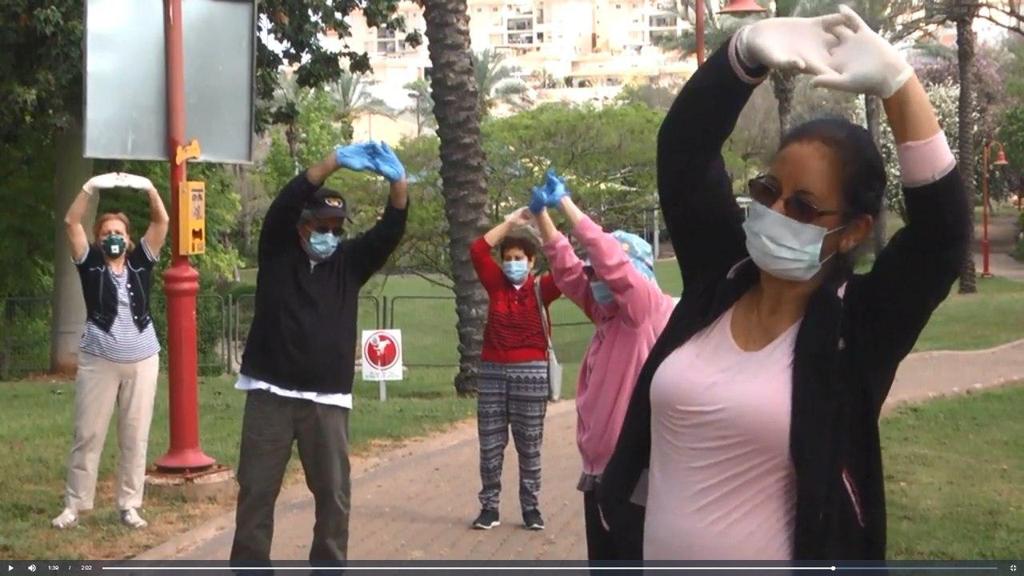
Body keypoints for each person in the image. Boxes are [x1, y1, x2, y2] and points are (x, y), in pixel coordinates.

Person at [598, 6, 969, 560]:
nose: (775, 211)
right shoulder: (717, 280)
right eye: (769, 190)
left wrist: (899, 85)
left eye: (803, 206)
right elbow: (683, 151)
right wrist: (743, 54)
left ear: (852, 231)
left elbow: (942, 236)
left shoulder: (858, 329)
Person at [230, 141, 408, 563]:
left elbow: (390, 230)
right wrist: (331, 162)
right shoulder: (277, 250)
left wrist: (399, 183)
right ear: (302, 226)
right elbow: (284, 204)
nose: (330, 235)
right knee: (256, 491)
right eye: (321, 227)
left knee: (333, 495)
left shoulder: (350, 262)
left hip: (327, 401)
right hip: (269, 395)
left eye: (337, 229)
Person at [531, 171, 676, 560]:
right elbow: (568, 274)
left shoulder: (643, 313)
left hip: (633, 472)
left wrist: (567, 205)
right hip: (598, 471)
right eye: (592, 274)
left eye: (601, 273)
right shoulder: (607, 316)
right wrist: (542, 217)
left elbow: (613, 264)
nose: (596, 280)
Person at [53, 172, 170, 530]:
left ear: (129, 239)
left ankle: (129, 506)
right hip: (99, 360)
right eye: (106, 233)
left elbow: (161, 221)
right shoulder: (89, 262)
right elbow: (71, 222)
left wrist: (149, 189)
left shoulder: (141, 261)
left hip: (143, 360)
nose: (113, 238)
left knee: (135, 435)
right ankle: (75, 505)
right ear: (98, 239)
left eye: (119, 232)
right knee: (88, 434)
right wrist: (90, 187)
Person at [469, 208, 561, 531]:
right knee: (490, 445)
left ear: (531, 262)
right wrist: (510, 223)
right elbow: (477, 251)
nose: (512, 263)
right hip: (493, 374)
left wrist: (543, 224)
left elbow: (566, 267)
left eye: (519, 258)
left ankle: (531, 508)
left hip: (531, 374)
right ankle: (489, 507)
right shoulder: (496, 285)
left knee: (529, 445)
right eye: (507, 258)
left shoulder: (542, 289)